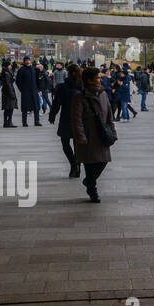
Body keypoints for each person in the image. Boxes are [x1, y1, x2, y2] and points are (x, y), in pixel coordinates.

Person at [70, 66, 115, 203]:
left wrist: (113, 131)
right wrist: (81, 136)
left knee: (104, 161)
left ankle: (88, 181)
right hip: (88, 136)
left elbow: (109, 115)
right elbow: (76, 119)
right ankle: (92, 190)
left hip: (102, 135)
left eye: (100, 78)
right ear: (89, 80)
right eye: (97, 78)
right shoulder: (79, 97)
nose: (100, 80)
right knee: (90, 164)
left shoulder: (103, 94)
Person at [50, 64, 83, 178]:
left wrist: (52, 116)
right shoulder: (82, 86)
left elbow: (56, 103)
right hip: (79, 118)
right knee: (77, 144)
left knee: (65, 143)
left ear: (68, 73)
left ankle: (74, 165)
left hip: (66, 118)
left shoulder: (62, 87)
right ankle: (77, 166)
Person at [16, 56, 40, 127]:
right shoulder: (21, 70)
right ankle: (24, 122)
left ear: (30, 61)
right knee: (25, 108)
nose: (27, 61)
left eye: (28, 60)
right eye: (26, 60)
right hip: (25, 91)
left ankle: (37, 121)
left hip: (34, 91)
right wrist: (22, 89)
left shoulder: (34, 69)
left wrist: (37, 88)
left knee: (36, 107)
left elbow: (37, 79)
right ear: (24, 62)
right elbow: (18, 81)